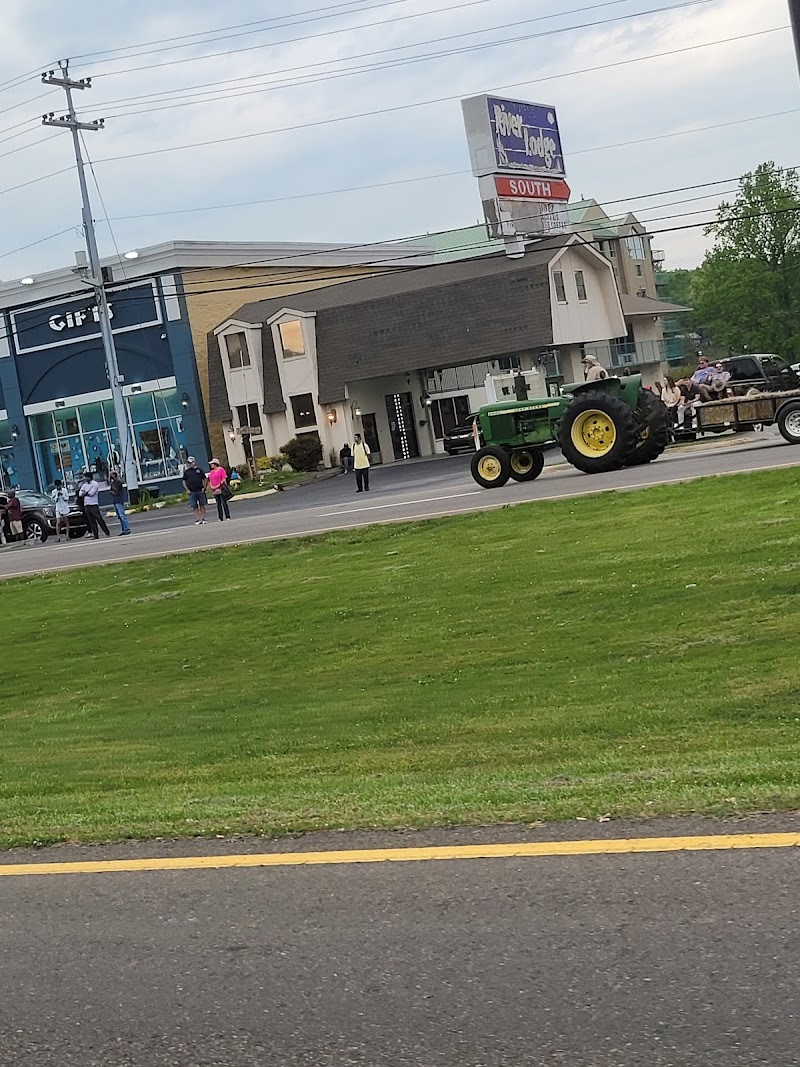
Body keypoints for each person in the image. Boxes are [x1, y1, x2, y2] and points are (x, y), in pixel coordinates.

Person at [79, 472, 110, 539]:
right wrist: (85, 493)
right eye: (85, 477)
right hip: (86, 504)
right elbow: (80, 494)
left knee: (99, 518)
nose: (86, 478)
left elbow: (91, 493)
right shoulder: (84, 485)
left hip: (93, 504)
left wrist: (85, 493)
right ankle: (96, 535)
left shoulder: (95, 484)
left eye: (87, 477)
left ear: (90, 477)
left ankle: (107, 532)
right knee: (91, 520)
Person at [182, 456, 208, 524]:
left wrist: (204, 487)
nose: (190, 464)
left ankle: (203, 519)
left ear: (194, 462)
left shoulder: (199, 470)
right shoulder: (186, 472)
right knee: (194, 506)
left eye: (191, 462)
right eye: (188, 463)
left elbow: (204, 479)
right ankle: (198, 519)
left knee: (202, 505)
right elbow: (184, 481)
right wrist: (187, 489)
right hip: (192, 491)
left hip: (200, 490)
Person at [108, 470, 131, 536]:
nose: (110, 476)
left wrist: (111, 489)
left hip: (119, 500)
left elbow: (115, 492)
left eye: (111, 475)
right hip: (115, 501)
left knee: (122, 515)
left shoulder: (117, 482)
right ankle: (124, 529)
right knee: (119, 516)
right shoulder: (114, 482)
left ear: (114, 475)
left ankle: (126, 529)